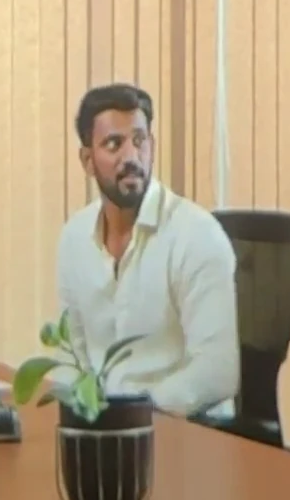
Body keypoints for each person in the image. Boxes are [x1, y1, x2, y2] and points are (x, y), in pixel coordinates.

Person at [54, 83, 239, 417]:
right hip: (108, 427)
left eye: (139, 141)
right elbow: (74, 356)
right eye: (114, 144)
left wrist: (135, 412)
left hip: (188, 428)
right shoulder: (75, 238)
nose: (131, 157)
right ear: (87, 160)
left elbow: (218, 371)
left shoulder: (196, 236)